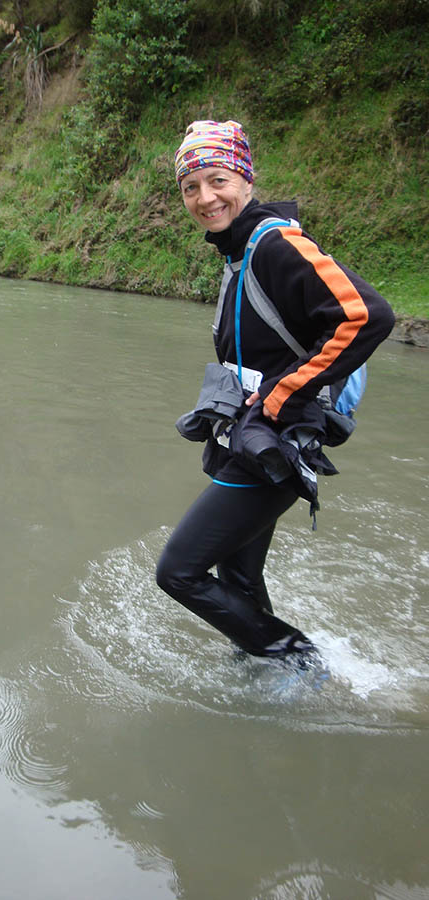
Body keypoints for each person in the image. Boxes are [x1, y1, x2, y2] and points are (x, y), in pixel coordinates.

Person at [155, 120, 395, 664]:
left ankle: (299, 660)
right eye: (190, 187)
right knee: (237, 577)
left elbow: (366, 315)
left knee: (178, 572)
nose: (204, 197)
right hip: (250, 437)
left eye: (217, 180)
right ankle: (264, 677)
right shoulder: (237, 252)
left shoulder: (273, 243)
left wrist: (279, 397)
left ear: (246, 179)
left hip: (278, 441)